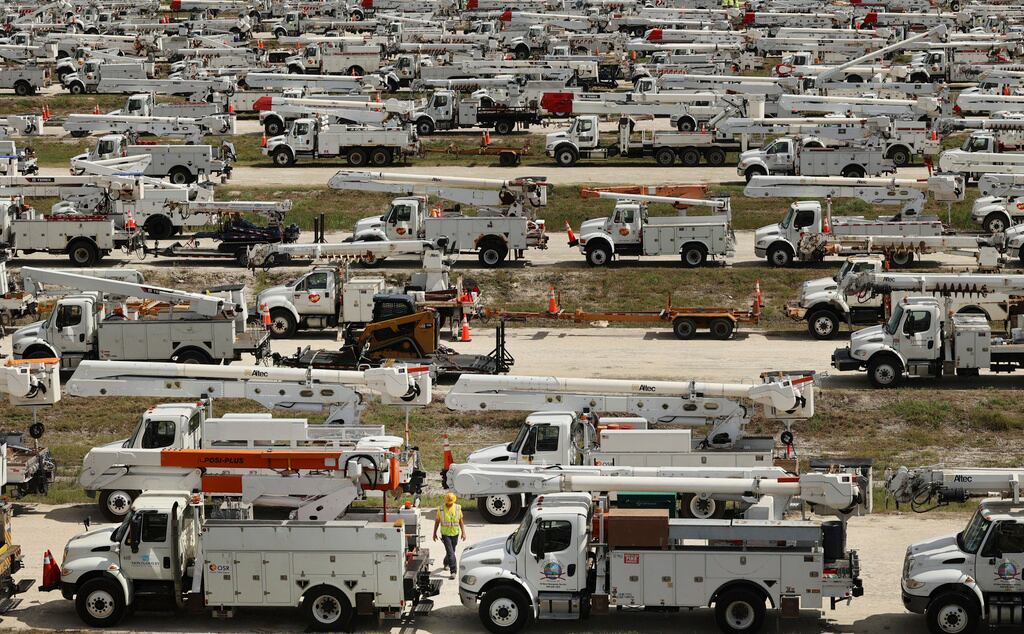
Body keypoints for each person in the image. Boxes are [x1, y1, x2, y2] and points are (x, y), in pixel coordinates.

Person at [433, 492, 466, 580]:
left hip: (455, 533)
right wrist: (434, 533)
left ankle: (445, 562)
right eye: (448, 502)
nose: (449, 504)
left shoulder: (458, 508)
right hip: (445, 534)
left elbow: (460, 521)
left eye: (451, 502)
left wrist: (463, 532)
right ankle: (453, 571)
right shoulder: (441, 509)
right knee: (451, 553)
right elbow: (437, 521)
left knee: (451, 551)